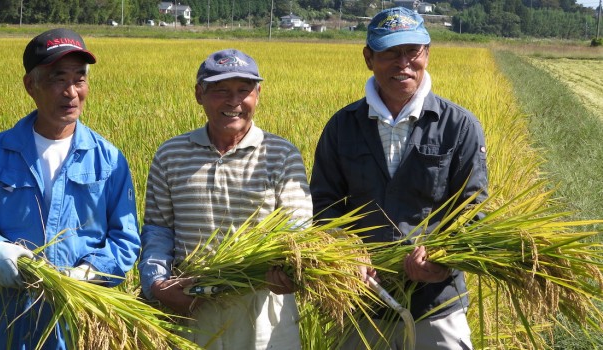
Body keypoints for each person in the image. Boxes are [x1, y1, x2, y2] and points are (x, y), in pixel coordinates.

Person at [0, 28, 141, 349]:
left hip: (84, 320)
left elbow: (126, 238)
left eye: (80, 79)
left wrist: (89, 272)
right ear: (30, 85)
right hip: (15, 321)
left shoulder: (108, 159)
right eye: (58, 78)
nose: (71, 92)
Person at [310, 7, 488, 350]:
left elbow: (472, 213)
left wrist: (442, 259)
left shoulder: (459, 126)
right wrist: (345, 250)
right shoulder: (342, 127)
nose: (402, 62)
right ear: (368, 57)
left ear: (427, 54)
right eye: (390, 52)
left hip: (436, 305)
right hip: (361, 303)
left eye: (412, 51)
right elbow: (323, 206)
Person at [137, 49, 312, 349]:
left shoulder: (280, 154)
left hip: (265, 310)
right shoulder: (171, 155)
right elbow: (158, 230)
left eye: (244, 90)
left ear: (258, 94)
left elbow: (298, 227)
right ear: (199, 94)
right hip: (192, 304)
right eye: (220, 91)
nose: (234, 102)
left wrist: (287, 269)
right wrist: (157, 284)